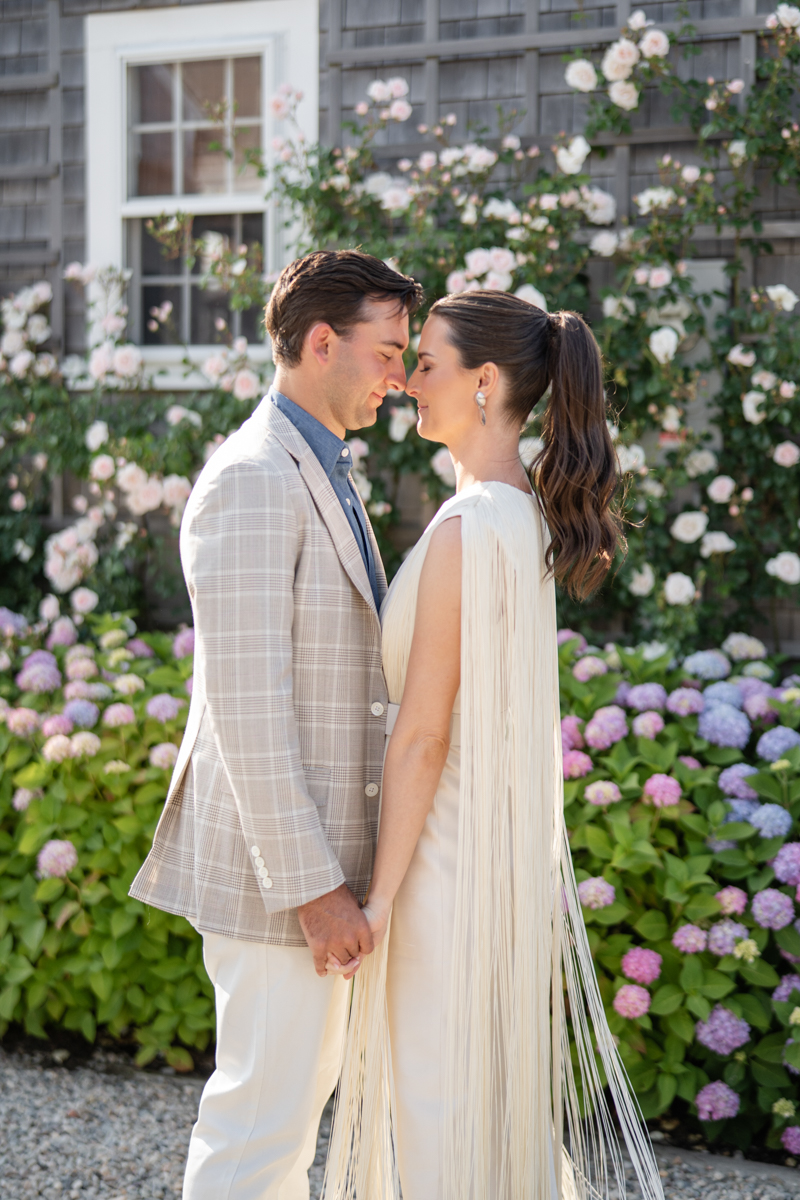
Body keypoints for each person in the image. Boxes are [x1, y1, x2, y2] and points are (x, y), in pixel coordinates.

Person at [323, 291, 664, 1200]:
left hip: (440, 868)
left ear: (483, 382)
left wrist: (381, 897)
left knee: (438, 1112)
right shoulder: (517, 514)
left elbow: (426, 732)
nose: (403, 382)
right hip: (491, 861)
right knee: (472, 1104)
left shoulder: (472, 527)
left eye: (423, 363)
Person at [129, 249, 424, 1200]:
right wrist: (313, 889)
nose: (400, 375)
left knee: (289, 1119)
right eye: (386, 351)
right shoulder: (254, 478)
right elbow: (246, 710)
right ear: (320, 341)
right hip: (280, 881)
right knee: (261, 1126)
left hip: (323, 865)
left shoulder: (322, 466)